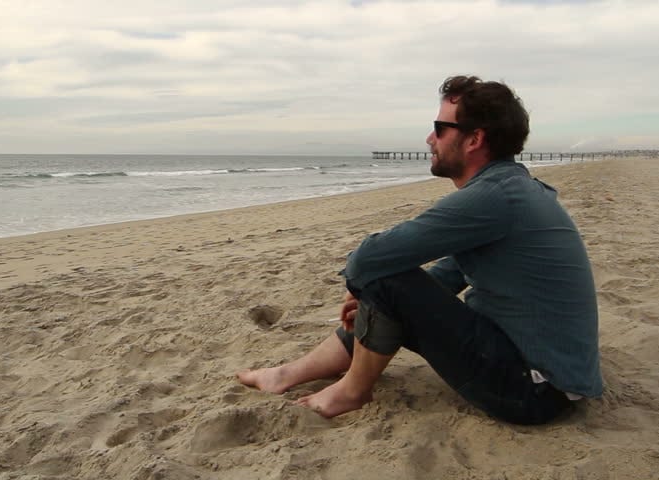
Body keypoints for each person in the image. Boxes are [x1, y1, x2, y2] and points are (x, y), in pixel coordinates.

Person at [237, 75, 603, 424]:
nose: (430, 138)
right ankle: (287, 374)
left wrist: (376, 295)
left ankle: (351, 391)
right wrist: (375, 308)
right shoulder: (511, 190)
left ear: (474, 139)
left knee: (385, 279)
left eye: (441, 128)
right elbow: (448, 274)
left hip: (535, 390)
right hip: (541, 374)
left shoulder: (494, 197)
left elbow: (367, 260)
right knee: (387, 290)